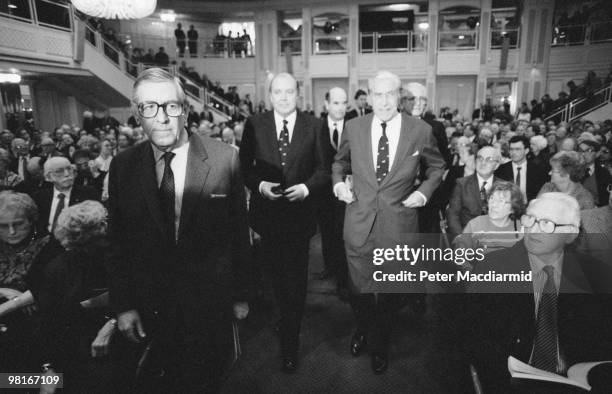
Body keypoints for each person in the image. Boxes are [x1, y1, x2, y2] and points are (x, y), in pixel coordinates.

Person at [108, 68, 250, 393]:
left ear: (185, 110)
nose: (162, 117)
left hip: (208, 304)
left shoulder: (224, 158)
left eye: (171, 106)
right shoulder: (123, 166)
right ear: (137, 113)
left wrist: (241, 295)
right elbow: (117, 244)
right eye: (149, 107)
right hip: (150, 307)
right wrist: (124, 305)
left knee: (206, 380)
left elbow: (238, 235)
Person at [332, 70, 445, 374]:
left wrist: (423, 193)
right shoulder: (354, 127)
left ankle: (379, 342)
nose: (383, 101)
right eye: (377, 94)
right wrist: (338, 184)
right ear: (369, 96)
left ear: (399, 96)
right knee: (359, 289)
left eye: (389, 94)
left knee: (390, 292)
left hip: (399, 225)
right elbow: (339, 162)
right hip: (358, 222)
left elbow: (437, 167)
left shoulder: (419, 130)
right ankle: (365, 329)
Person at [466, 193, 612, 392]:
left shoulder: (594, 275)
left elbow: (603, 340)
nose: (534, 229)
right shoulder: (493, 269)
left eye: (546, 223)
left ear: (571, 234)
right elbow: (473, 340)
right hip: (512, 383)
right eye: (531, 219)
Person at [239, 72, 328, 373]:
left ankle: (291, 341)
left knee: (296, 281)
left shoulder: (315, 125)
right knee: (275, 280)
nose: (284, 97)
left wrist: (306, 188)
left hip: (300, 219)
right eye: (278, 91)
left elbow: (324, 169)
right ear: (270, 94)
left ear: (298, 94)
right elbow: (245, 168)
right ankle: (285, 319)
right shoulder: (255, 124)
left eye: (289, 91)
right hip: (268, 217)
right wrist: (260, 186)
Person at [37, 201, 117, 394]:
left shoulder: (121, 258)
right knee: (14, 382)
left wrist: (113, 322)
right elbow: (48, 321)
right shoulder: (58, 268)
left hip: (114, 350)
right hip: (70, 353)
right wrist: (48, 368)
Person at [0, 191, 62, 372]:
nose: (11, 232)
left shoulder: (49, 244)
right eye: (3, 226)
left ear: (31, 220)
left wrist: (9, 306)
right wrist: (5, 291)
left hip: (36, 330)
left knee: (23, 382)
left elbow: (49, 288)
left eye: (18, 224)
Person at [316, 87, 349, 298]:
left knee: (344, 235)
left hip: (348, 192)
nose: (340, 107)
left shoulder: (355, 128)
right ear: (327, 105)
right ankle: (331, 267)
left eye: (344, 103)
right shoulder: (316, 128)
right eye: (336, 103)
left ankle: (344, 279)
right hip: (322, 193)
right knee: (327, 233)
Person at [453, 181, 525, 256]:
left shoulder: (521, 228)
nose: (493, 204)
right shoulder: (476, 224)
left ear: (513, 208)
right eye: (492, 198)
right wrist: (470, 268)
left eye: (501, 201)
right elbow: (459, 256)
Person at [447, 146, 503, 241]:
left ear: (496, 165)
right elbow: (453, 214)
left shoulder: (504, 186)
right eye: (480, 158)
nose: (483, 163)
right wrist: (460, 238)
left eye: (489, 160)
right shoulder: (462, 184)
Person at [32, 157, 98, 236]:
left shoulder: (88, 194)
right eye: (59, 171)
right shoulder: (39, 197)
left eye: (69, 169)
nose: (67, 174)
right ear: (49, 177)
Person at [495, 135, 549, 202]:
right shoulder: (501, 170)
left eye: (518, 149)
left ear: (526, 151)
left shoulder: (539, 170)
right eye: (511, 149)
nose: (513, 152)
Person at [579, 140, 612, 206]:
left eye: (589, 151)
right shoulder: (572, 168)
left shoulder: (604, 173)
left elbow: (606, 199)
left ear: (597, 154)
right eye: (580, 150)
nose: (583, 154)